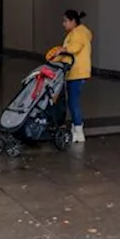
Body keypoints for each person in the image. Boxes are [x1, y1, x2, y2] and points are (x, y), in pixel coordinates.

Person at [47, 9, 92, 143]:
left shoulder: (77, 33)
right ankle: (75, 128)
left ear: (73, 21)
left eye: (65, 21)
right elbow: (69, 54)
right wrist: (56, 58)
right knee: (73, 101)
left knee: (73, 102)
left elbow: (74, 49)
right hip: (77, 72)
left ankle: (78, 130)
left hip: (77, 72)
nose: (63, 24)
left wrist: (62, 49)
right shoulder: (80, 32)